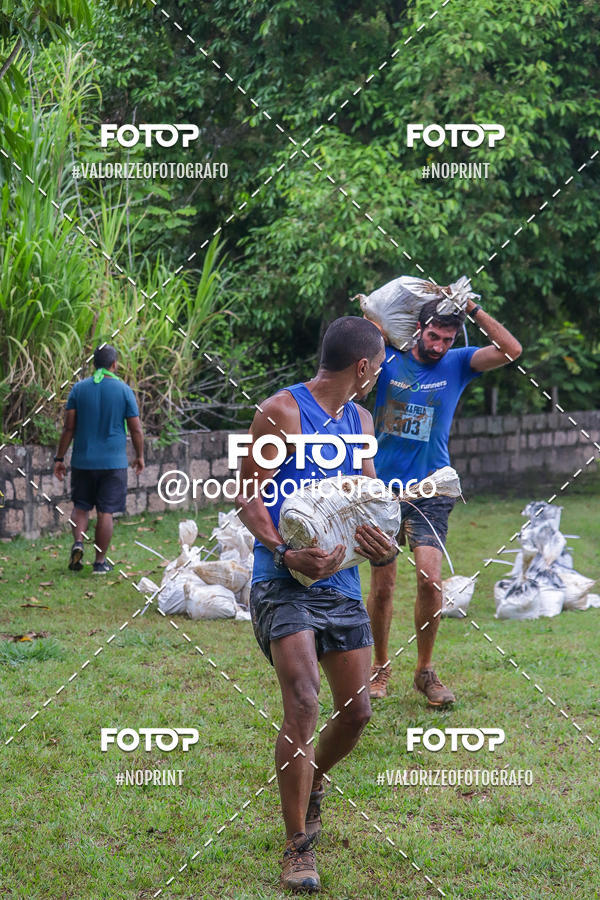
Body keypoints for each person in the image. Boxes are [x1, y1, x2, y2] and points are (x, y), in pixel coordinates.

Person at [236, 317, 396, 894]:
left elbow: (368, 496)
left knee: (355, 714)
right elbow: (248, 497)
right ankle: (297, 848)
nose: (379, 373)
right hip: (281, 580)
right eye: (378, 364)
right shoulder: (282, 412)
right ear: (362, 367)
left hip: (339, 585)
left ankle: (312, 778)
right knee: (304, 702)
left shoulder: (360, 421)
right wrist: (284, 553)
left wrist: (381, 540)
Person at [367, 297, 522, 705]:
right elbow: (366, 324)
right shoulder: (388, 359)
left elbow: (511, 350)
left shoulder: (457, 363)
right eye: (433, 335)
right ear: (418, 329)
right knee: (383, 586)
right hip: (382, 487)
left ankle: (425, 671)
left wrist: (472, 309)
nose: (438, 345)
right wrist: (384, 319)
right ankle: (380, 667)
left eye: (446, 338)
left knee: (429, 579)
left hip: (433, 487)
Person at [53, 344, 144, 574]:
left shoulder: (79, 389)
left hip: (83, 461)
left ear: (94, 364)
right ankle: (100, 562)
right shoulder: (124, 391)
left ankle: (78, 543)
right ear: (114, 364)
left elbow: (68, 428)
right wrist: (139, 456)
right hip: (113, 464)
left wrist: (59, 457)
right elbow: (135, 430)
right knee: (106, 512)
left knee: (81, 507)